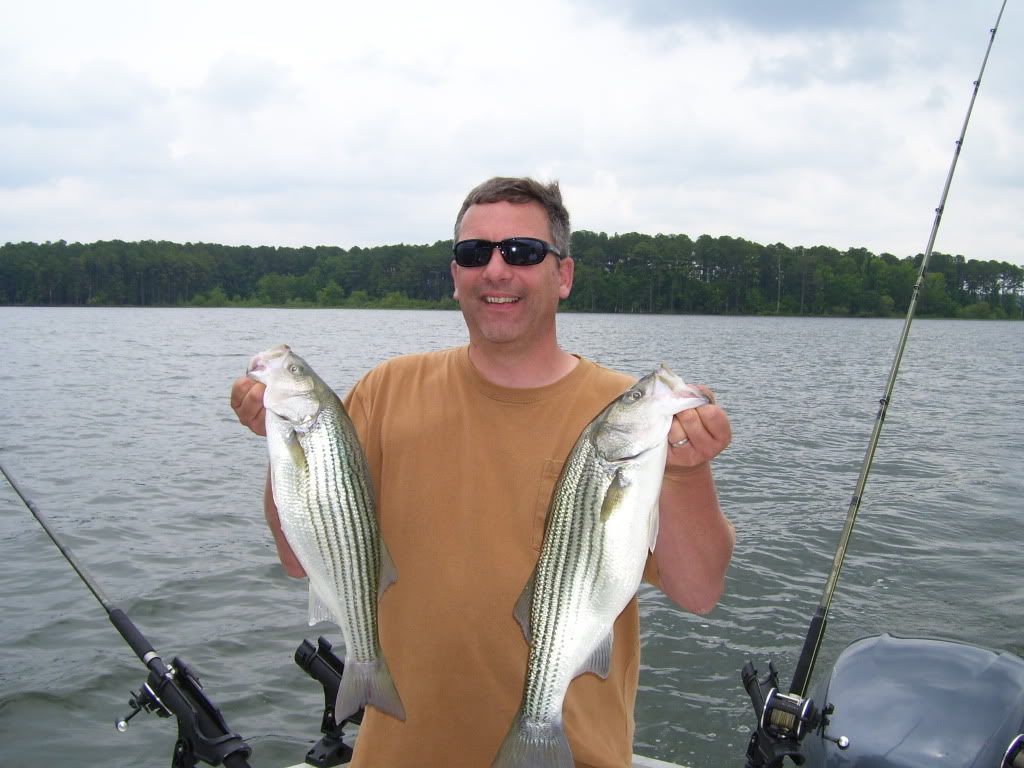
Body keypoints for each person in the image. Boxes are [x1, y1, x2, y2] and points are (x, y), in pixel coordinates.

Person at [230, 177, 735, 767]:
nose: (497, 270)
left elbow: (699, 593)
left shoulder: (630, 415)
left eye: (522, 252)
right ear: (455, 276)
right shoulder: (386, 391)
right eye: (475, 254)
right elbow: (299, 556)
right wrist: (278, 439)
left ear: (563, 275)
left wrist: (687, 472)